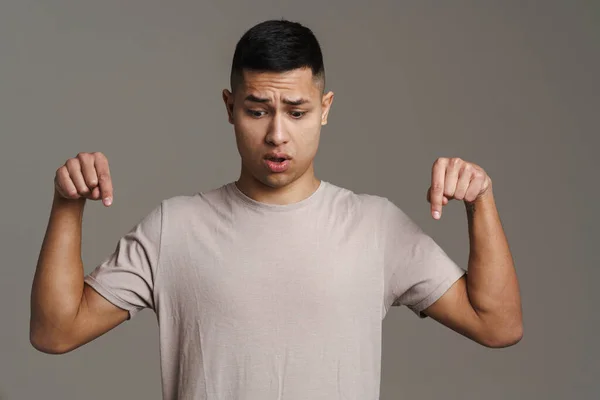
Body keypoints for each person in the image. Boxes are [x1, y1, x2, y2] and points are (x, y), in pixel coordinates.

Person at [30, 19, 522, 400]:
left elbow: (497, 325)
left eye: (298, 111)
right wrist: (67, 205)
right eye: (258, 110)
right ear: (229, 107)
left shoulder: (375, 227)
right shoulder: (174, 228)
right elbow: (55, 332)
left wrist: (481, 203)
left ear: (325, 108)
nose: (277, 134)